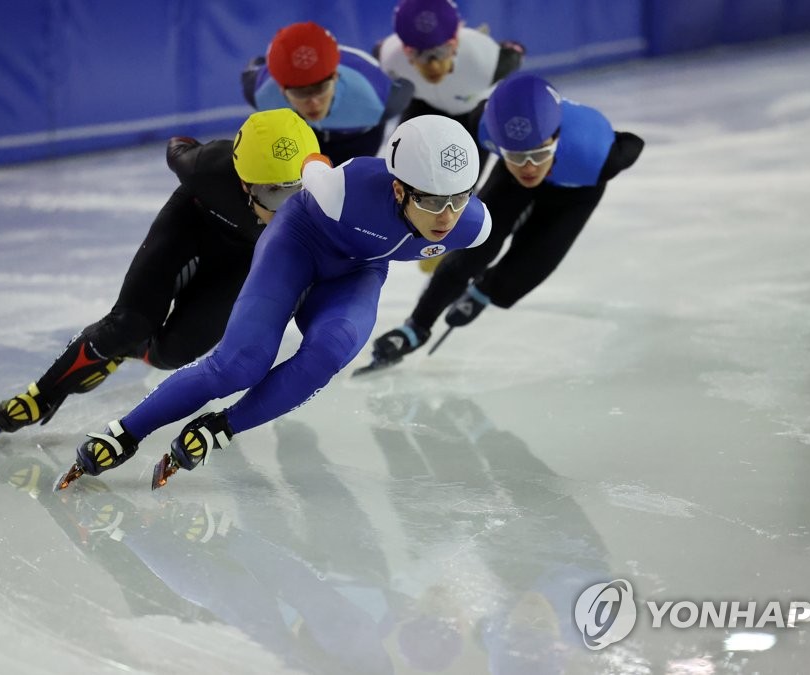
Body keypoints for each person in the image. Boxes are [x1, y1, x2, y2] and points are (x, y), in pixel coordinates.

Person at [56, 114, 492, 489]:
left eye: (459, 199)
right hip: (298, 243)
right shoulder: (345, 188)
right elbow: (312, 165)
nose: (447, 216)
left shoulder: (472, 226)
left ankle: (220, 428)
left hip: (357, 270)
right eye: (432, 201)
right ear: (398, 190)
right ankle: (125, 433)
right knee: (240, 364)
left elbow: (471, 225)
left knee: (333, 348)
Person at [0, 109, 320, 445]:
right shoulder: (205, 168)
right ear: (244, 182)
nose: (287, 209)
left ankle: (126, 350)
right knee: (128, 323)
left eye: (299, 191)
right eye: (273, 194)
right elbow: (179, 145)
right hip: (191, 227)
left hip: (241, 262)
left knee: (170, 355)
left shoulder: (326, 195)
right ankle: (42, 395)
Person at [366, 73, 644, 369]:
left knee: (531, 265)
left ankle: (485, 291)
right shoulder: (484, 123)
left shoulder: (601, 155)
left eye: (538, 154)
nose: (528, 167)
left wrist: (487, 291)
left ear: (557, 139)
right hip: (509, 181)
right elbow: (472, 162)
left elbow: (634, 142)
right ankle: (417, 327)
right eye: (515, 155)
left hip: (577, 190)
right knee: (473, 246)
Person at [241, 21, 414, 166]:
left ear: (335, 77)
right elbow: (257, 64)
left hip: (356, 139)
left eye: (320, 88)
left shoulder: (376, 99)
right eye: (301, 93)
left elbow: (407, 85)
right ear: (281, 89)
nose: (314, 102)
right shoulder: (261, 91)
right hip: (305, 133)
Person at [375, 0, 525, 149]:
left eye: (441, 51)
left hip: (473, 112)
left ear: (455, 43)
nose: (433, 66)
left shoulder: (486, 62)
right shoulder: (389, 58)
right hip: (425, 104)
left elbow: (514, 53)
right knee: (401, 159)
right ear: (404, 50)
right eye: (419, 53)